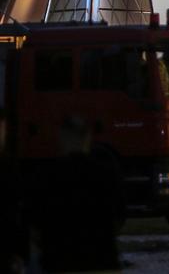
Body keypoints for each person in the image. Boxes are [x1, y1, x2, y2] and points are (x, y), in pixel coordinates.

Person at [31, 116, 124, 272]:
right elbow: (118, 214)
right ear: (87, 137)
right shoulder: (105, 173)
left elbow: (36, 222)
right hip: (101, 262)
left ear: (62, 137)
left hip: (61, 262)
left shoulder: (48, 176)